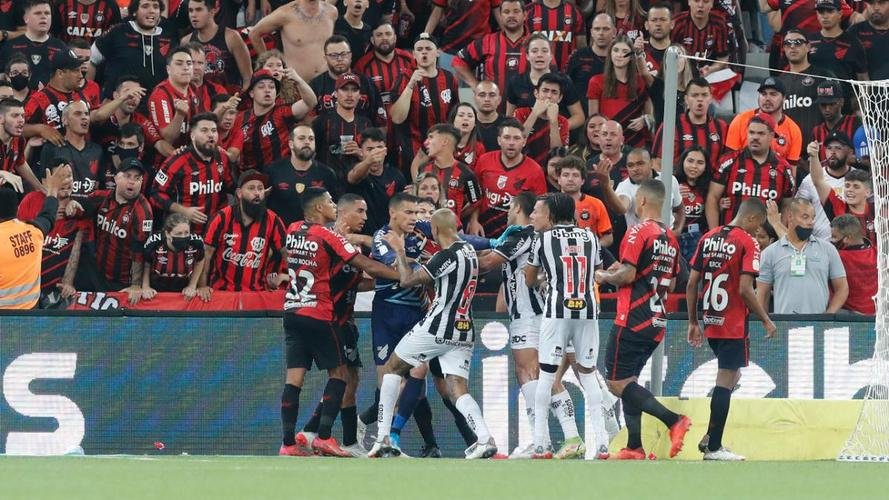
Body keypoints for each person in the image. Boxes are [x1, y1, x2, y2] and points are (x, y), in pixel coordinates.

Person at [278, 186, 399, 457]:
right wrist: (401, 275)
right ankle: (322, 436)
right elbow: (365, 265)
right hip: (321, 314)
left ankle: (288, 444)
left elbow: (291, 255)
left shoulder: (293, 228)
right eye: (330, 201)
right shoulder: (328, 235)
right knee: (341, 375)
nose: (332, 204)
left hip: (292, 311)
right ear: (320, 208)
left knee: (294, 379)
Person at [369, 208, 498, 459]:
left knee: (392, 368)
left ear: (436, 231)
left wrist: (400, 252)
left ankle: (384, 436)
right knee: (456, 387)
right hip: (464, 329)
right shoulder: (469, 252)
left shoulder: (445, 256)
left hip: (438, 325)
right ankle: (484, 438)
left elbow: (407, 281)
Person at [595, 178, 690, 461]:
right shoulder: (670, 237)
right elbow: (673, 284)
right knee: (630, 379)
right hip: (657, 320)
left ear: (643, 201)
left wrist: (602, 276)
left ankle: (673, 420)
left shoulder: (638, 231)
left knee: (615, 382)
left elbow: (625, 274)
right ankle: (634, 446)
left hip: (633, 317)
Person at [686, 198, 777, 461]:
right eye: (758, 224)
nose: (757, 230)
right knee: (726, 379)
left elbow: (692, 283)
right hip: (733, 322)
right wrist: (765, 319)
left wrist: (694, 322)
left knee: (732, 376)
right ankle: (714, 447)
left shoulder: (709, 236)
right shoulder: (748, 242)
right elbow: (745, 290)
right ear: (751, 219)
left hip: (711, 320)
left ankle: (709, 436)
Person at [522, 192, 609, 460]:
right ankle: (603, 444)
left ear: (551, 214)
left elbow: (528, 279)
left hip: (556, 311)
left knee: (546, 377)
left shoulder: (543, 240)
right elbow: (597, 271)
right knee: (588, 374)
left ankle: (539, 444)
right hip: (587, 311)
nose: (536, 215)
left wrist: (545, 280)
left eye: (540, 211)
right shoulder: (592, 237)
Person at [293, 193, 378, 458]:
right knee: (343, 380)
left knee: (349, 379)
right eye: (360, 211)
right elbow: (330, 279)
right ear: (342, 212)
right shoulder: (329, 241)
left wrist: (382, 282)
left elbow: (356, 281)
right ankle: (328, 437)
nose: (365, 217)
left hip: (345, 318)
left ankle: (313, 433)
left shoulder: (349, 244)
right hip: (332, 319)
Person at [199, 169, 286, 294]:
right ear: (239, 193)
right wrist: (202, 286)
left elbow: (288, 254)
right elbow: (206, 254)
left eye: (260, 188)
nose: (257, 193)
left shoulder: (273, 220)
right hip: (222, 293)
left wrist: (287, 278)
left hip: (256, 294)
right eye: (251, 188)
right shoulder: (222, 218)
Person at [80, 158, 154, 302]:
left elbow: (140, 252)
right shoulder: (102, 197)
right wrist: (73, 204)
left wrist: (135, 285)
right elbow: (81, 205)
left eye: (137, 178)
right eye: (127, 176)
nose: (132, 181)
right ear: (116, 178)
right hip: (96, 273)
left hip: (121, 283)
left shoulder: (143, 212)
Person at [756, 198, 849, 314]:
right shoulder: (770, 253)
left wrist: (828, 316)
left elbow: (842, 288)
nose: (811, 222)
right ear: (790, 217)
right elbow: (762, 294)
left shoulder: (828, 249)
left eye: (813, 217)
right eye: (805, 217)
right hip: (784, 326)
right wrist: (764, 323)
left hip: (817, 325)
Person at [15, 159, 87, 307]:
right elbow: (17, 238)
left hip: (56, 292)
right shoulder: (31, 200)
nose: (67, 181)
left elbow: (76, 249)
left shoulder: (79, 212)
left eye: (69, 176)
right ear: (45, 181)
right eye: (61, 177)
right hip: (26, 286)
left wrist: (68, 282)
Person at [0, 163, 71, 309]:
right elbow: (48, 216)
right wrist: (52, 190)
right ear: (15, 208)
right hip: (29, 317)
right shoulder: (33, 232)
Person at [706, 113, 796, 229]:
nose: (755, 137)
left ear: (772, 136)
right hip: (731, 238)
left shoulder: (784, 169)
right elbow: (712, 198)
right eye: (751, 132)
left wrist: (779, 238)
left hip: (766, 242)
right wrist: (715, 233)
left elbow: (786, 206)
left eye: (761, 133)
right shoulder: (729, 161)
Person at [150, 113, 232, 235]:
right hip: (182, 233)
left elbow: (230, 187)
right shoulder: (177, 161)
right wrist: (184, 211)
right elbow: (155, 194)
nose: (210, 135)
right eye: (204, 130)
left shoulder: (223, 158)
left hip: (215, 232)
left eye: (214, 130)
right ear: (193, 136)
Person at [390, 33, 459, 173]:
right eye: (420, 50)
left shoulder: (449, 78)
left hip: (442, 153)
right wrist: (410, 86)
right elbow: (397, 118)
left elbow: (454, 116)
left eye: (428, 48)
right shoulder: (404, 77)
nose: (424, 52)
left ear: (438, 52)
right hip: (412, 153)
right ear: (414, 54)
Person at [474, 118, 547, 237]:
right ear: (499, 140)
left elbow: (541, 207)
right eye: (507, 137)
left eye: (517, 138)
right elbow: (476, 196)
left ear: (524, 141)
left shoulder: (535, 170)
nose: (511, 142)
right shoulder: (484, 160)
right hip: (483, 231)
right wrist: (473, 221)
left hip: (516, 234)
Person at [89, 0, 178, 98]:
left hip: (155, 105)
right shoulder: (117, 32)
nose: (151, 11)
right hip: (118, 104)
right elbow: (91, 60)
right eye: (145, 6)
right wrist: (89, 96)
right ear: (134, 11)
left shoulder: (169, 37)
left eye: (156, 7)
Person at [234, 69, 315, 173]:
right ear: (251, 93)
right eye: (261, 87)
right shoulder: (240, 118)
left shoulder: (283, 112)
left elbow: (311, 102)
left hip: (281, 177)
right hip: (252, 180)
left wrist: (298, 80)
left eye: (272, 87)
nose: (267, 90)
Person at [505, 34, 584, 131]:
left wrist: (556, 128)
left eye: (544, 51)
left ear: (551, 56)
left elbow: (579, 117)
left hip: (557, 140)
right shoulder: (515, 82)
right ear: (527, 56)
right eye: (534, 51)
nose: (539, 55)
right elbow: (509, 120)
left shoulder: (564, 80)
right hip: (524, 140)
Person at [91, 75, 171, 169]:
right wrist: (123, 98)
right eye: (128, 92)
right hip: (97, 172)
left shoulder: (141, 120)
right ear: (116, 95)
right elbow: (98, 117)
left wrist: (178, 154)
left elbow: (159, 143)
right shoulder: (104, 111)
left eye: (137, 94)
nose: (132, 97)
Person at [598, 148, 685, 233]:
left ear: (651, 163)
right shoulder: (624, 186)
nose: (635, 169)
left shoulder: (669, 179)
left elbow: (679, 208)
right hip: (641, 242)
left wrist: (677, 230)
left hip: (668, 241)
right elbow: (621, 209)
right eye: (630, 165)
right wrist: (606, 186)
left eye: (640, 163)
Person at [265, 125, 339, 225]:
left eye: (311, 139)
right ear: (291, 144)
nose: (307, 142)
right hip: (280, 236)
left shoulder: (327, 173)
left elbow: (335, 208)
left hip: (315, 237)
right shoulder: (273, 171)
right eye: (301, 138)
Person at [587, 37, 653, 148]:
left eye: (625, 51)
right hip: (608, 143)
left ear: (631, 57)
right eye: (616, 50)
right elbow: (593, 120)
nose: (619, 54)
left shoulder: (641, 82)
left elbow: (652, 115)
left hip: (636, 143)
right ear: (610, 54)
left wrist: (645, 120)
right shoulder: (596, 81)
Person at [416, 124, 483, 233]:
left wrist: (457, 215)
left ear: (444, 142)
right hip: (423, 231)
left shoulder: (466, 173)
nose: (426, 142)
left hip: (452, 232)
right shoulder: (423, 168)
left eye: (431, 137)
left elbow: (476, 201)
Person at [806, 140, 876, 245]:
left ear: (867, 192)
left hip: (875, 261)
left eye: (856, 186)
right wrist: (814, 156)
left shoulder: (878, 212)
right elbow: (818, 181)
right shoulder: (838, 207)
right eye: (847, 186)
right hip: (842, 261)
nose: (850, 190)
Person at [249, 0, 337, 82]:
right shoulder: (285, 14)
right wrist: (269, 64)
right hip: (294, 85)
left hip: (326, 84)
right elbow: (254, 33)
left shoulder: (331, 12)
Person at [452, 0, 527, 95]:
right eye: (506, 12)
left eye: (516, 11)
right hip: (493, 107)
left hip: (529, 107)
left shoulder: (535, 43)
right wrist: (475, 85)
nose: (511, 15)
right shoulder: (487, 42)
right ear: (500, 16)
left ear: (525, 15)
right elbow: (458, 61)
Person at [725, 77, 804, 167]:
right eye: (763, 94)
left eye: (773, 94)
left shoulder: (794, 130)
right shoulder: (740, 120)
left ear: (784, 98)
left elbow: (791, 172)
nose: (767, 98)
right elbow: (729, 161)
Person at [651, 78, 726, 171]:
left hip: (710, 184)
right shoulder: (671, 125)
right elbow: (656, 163)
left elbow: (727, 163)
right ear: (686, 99)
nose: (700, 99)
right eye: (694, 95)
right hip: (678, 183)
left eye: (704, 95)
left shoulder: (722, 127)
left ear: (710, 98)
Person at [309, 36, 385, 127]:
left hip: (363, 139)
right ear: (325, 58)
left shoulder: (367, 83)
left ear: (350, 55)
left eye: (344, 54)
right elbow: (309, 124)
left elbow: (381, 123)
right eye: (333, 55)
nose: (339, 59)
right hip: (327, 139)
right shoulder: (315, 85)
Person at [777, 30, 836, 145]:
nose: (792, 46)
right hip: (788, 148)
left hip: (819, 147)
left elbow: (836, 111)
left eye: (798, 42)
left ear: (808, 47)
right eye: (788, 43)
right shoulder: (779, 82)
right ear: (784, 48)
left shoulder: (823, 76)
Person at [312, 72, 373, 180]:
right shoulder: (321, 121)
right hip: (328, 184)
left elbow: (374, 159)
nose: (349, 94)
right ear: (335, 93)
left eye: (354, 90)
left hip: (359, 184)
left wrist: (360, 153)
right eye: (344, 89)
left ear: (360, 95)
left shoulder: (366, 124)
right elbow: (311, 155)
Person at [345, 127, 406, 235]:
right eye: (370, 149)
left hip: (388, 237)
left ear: (386, 151)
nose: (375, 153)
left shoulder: (396, 175)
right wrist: (369, 161)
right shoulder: (355, 170)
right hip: (360, 237)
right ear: (361, 151)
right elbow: (353, 178)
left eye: (379, 148)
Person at [181, 0, 252, 92]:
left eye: (199, 10)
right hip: (199, 102)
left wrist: (239, 100)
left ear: (213, 11)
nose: (193, 15)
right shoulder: (186, 42)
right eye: (191, 10)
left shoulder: (231, 37)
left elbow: (248, 77)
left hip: (228, 101)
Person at [795, 132, 855, 239]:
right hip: (818, 243)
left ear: (850, 152)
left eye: (838, 148)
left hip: (850, 243)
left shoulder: (858, 179)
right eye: (829, 148)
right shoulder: (810, 179)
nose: (832, 152)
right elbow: (797, 208)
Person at [39, 100, 102, 200]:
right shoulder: (52, 148)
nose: (84, 117)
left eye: (86, 114)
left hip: (88, 212)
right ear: (64, 120)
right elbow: (45, 184)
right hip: (60, 211)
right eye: (78, 114)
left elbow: (98, 187)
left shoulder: (97, 150)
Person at [0, 1, 68, 89]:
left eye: (47, 13)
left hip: (51, 100)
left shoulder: (61, 47)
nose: (43, 17)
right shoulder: (10, 47)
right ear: (26, 18)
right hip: (16, 100)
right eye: (38, 13)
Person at [24, 48, 92, 134]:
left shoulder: (82, 95)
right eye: (76, 71)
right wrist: (40, 129)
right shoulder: (39, 99)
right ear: (60, 73)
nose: (81, 76)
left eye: (80, 71)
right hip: (53, 147)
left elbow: (95, 118)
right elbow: (20, 128)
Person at [140, 212, 206, 298]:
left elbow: (200, 260)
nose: (183, 236)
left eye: (186, 232)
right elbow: (146, 264)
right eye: (179, 233)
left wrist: (192, 285)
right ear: (167, 234)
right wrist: (145, 286)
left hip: (182, 288)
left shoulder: (196, 243)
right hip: (156, 287)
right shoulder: (154, 243)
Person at [352, 22, 416, 109]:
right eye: (379, 35)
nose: (384, 38)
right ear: (372, 40)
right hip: (375, 119)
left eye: (388, 34)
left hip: (407, 118)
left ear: (395, 38)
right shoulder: (362, 65)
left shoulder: (409, 59)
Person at [147, 47, 200, 148]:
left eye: (189, 63)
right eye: (179, 63)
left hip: (190, 153)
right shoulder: (160, 94)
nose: (185, 67)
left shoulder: (194, 90)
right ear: (168, 69)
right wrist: (180, 114)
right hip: (163, 160)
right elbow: (168, 138)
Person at [514, 73, 570, 167]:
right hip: (521, 167)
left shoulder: (563, 122)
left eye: (554, 92)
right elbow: (515, 143)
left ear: (560, 98)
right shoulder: (520, 113)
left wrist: (553, 122)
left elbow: (558, 155)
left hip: (549, 172)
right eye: (545, 90)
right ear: (536, 93)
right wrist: (535, 113)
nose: (549, 96)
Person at [556, 155, 613, 248]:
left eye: (575, 175)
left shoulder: (596, 204)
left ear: (583, 180)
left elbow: (608, 237)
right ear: (558, 179)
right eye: (566, 175)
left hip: (588, 259)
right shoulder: (547, 204)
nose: (570, 179)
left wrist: (590, 248)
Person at [566, 13, 617, 114]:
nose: (601, 33)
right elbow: (567, 90)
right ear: (591, 32)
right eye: (597, 29)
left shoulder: (620, 59)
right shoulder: (578, 56)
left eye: (606, 29)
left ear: (614, 32)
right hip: (582, 118)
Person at [808, 0, 869, 82]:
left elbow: (863, 79)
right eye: (821, 12)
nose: (825, 16)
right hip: (812, 94)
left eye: (830, 11)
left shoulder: (853, 43)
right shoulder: (808, 41)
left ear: (840, 14)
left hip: (844, 94)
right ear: (817, 14)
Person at [830, 214, 877, 315]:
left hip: (847, 316)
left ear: (848, 238)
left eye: (834, 237)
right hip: (875, 315)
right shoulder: (877, 253)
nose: (831, 240)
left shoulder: (837, 257)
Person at [670, 0, 730, 76]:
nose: (700, 5)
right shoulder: (677, 23)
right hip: (680, 74)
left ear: (712, 4)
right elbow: (667, 56)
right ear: (689, 2)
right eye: (696, 1)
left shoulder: (719, 23)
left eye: (706, 1)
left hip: (709, 74)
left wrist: (711, 69)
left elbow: (723, 58)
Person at [524, 0, 586, 71]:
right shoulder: (528, 11)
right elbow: (523, 44)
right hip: (536, 72)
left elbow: (582, 47)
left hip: (567, 73)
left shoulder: (575, 11)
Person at [0, 98, 44, 193]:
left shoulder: (18, 140)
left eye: (23, 116)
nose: (21, 120)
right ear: (1, 118)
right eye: (15, 116)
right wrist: (3, 173)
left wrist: (40, 188)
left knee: (23, 189)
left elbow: (20, 163)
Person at [675, 147, 711, 261]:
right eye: (690, 161)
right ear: (682, 162)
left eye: (700, 163)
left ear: (706, 167)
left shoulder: (709, 187)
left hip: (699, 239)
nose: (694, 166)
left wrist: (720, 206)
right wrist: (674, 193)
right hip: (675, 236)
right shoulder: (672, 181)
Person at [847, 0, 889, 80]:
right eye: (871, 3)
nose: (876, 8)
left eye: (881, 3)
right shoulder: (854, 32)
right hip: (862, 90)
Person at [52, 0, 122, 44]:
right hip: (67, 59)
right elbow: (53, 33)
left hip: (99, 61)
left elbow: (118, 34)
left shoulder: (110, 5)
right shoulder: (61, 3)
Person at [449, 103, 486, 168]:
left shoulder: (479, 148)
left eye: (470, 116)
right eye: (461, 115)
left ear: (475, 123)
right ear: (453, 121)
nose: (466, 118)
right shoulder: (443, 145)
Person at [474, 81, 505, 150]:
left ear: (499, 100)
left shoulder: (509, 125)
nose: (487, 99)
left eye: (492, 95)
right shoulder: (466, 124)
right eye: (482, 95)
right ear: (474, 99)